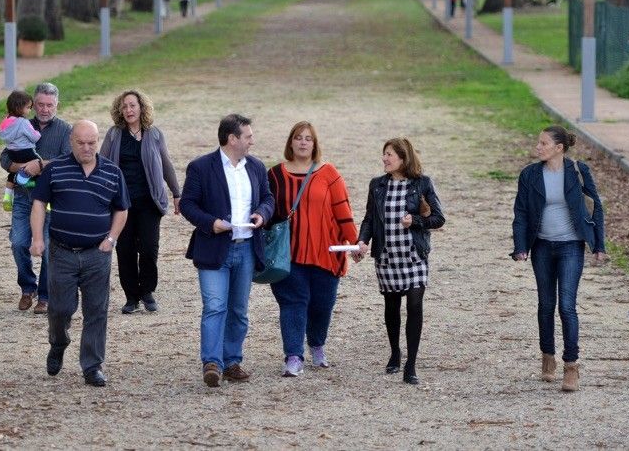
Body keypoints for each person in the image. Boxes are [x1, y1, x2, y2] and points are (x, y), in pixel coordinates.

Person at [29, 119, 130, 387]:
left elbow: (122, 208)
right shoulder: (56, 169)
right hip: (61, 252)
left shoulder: (111, 172)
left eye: (92, 143)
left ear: (97, 141)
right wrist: (38, 239)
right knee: (60, 309)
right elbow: (39, 203)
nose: (86, 148)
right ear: (71, 141)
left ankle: (92, 365)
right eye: (81, 143)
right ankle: (59, 342)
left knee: (96, 310)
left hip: (97, 253)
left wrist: (111, 239)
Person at [181, 114, 275, 387]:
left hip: (246, 248)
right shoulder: (200, 167)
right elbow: (188, 205)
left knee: (238, 309)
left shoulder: (256, 167)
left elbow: (268, 198)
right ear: (232, 139)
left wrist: (262, 214)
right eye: (247, 136)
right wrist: (212, 223)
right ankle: (211, 362)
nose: (252, 141)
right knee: (214, 306)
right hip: (213, 248)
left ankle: (231, 360)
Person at [511, 125, 605, 393]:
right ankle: (547, 357)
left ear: (558, 148)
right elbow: (521, 212)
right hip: (541, 246)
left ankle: (571, 366)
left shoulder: (578, 171)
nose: (537, 147)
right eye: (538, 143)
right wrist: (520, 246)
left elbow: (596, 206)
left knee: (567, 306)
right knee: (545, 305)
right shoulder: (529, 174)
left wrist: (599, 244)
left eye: (543, 144)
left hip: (571, 246)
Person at [267, 121, 357, 377]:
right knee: (293, 303)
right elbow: (266, 209)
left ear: (315, 144)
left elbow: (343, 210)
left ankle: (317, 344)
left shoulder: (329, 173)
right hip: (288, 254)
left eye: (308, 138)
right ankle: (293, 356)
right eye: (298, 137)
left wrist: (354, 243)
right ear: (290, 142)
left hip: (326, 252)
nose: (303, 142)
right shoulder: (274, 175)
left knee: (322, 304)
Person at [356, 138, 445, 385]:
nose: (385, 159)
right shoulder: (377, 185)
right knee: (392, 307)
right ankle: (395, 352)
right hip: (387, 256)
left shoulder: (422, 184)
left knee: (415, 307)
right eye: (384, 154)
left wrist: (414, 221)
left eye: (390, 155)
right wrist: (362, 241)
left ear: (403, 159)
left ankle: (411, 364)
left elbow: (438, 219)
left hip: (414, 256)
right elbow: (369, 219)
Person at [99, 89, 181, 314]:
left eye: (132, 105)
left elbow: (166, 165)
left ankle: (147, 291)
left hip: (148, 202)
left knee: (148, 249)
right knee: (124, 250)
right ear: (120, 110)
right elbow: (102, 164)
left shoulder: (154, 134)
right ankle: (131, 297)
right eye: (124, 106)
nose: (128, 110)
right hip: (121, 204)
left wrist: (176, 192)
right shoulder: (114, 134)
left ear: (141, 108)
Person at [0, 82, 72, 314]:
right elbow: (4, 158)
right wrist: (22, 167)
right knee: (19, 242)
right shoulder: (20, 123)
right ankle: (27, 288)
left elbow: (69, 160)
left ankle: (44, 296)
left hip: (52, 200)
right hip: (23, 197)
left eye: (49, 105)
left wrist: (40, 165)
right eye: (40, 104)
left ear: (57, 105)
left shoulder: (64, 130)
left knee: (50, 249)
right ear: (32, 104)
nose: (44, 109)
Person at [0, 90, 41, 211]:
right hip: (26, 151)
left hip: (13, 153)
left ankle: (7, 196)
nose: (30, 110)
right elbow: (34, 136)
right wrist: (38, 133)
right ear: (19, 108)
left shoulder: (6, 121)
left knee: (13, 174)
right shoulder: (23, 122)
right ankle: (46, 201)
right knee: (40, 168)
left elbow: (1, 135)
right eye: (28, 107)